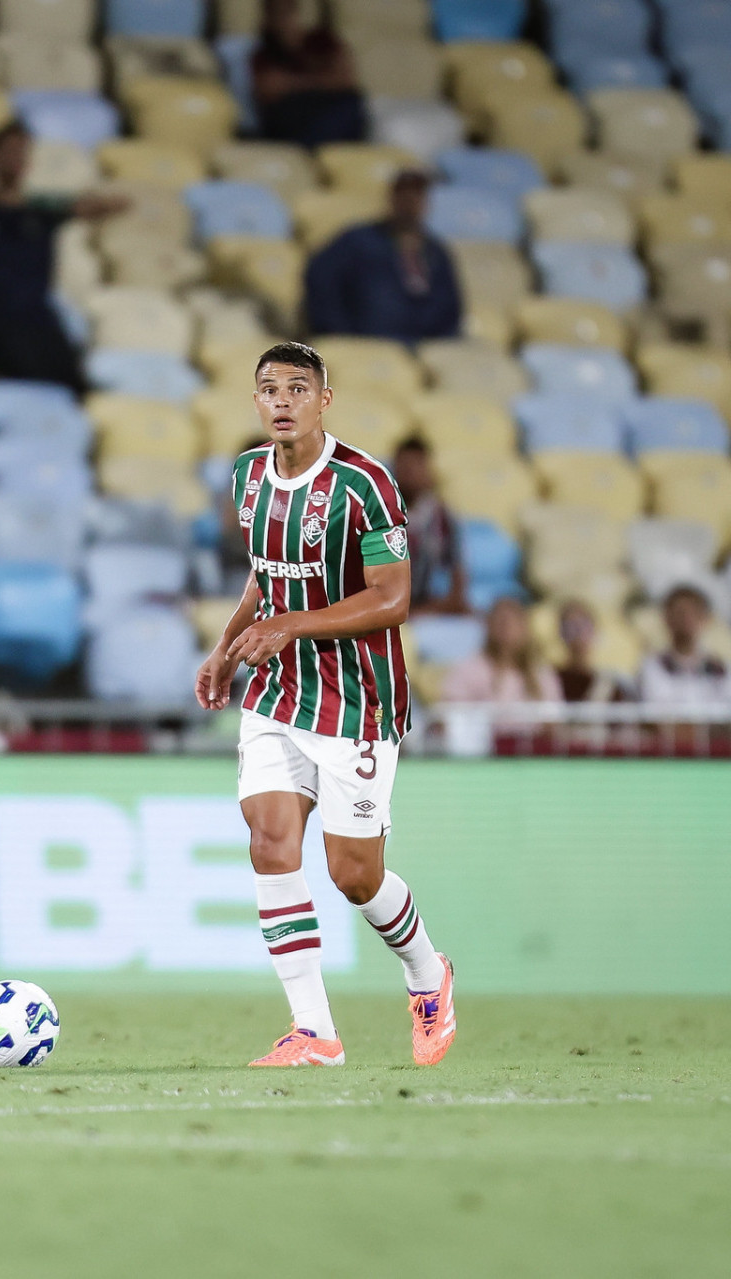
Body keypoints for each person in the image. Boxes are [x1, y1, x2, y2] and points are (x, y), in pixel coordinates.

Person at [195, 341, 455, 1070]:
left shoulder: (364, 482)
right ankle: (314, 1030)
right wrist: (226, 644)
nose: (282, 400)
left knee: (354, 875)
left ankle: (429, 976)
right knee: (270, 842)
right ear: (256, 401)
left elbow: (393, 598)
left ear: (323, 400)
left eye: (297, 388)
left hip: (357, 702)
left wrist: (290, 625)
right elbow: (264, 574)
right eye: (269, 389)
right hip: (277, 692)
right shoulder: (247, 475)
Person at [0, 121, 125, 391]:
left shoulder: (41, 210)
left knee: (75, 385)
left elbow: (85, 207)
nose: (16, 158)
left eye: (22, 151)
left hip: (36, 317)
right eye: (9, 151)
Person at [304, 170, 462, 344]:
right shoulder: (358, 241)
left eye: (416, 197)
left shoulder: (435, 251)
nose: (409, 204)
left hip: (422, 345)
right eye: (403, 196)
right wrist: (340, 331)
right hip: (368, 342)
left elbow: (450, 305)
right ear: (391, 199)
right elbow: (321, 279)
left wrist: (441, 341)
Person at [252, 0, 365, 147]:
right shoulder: (263, 53)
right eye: (277, 14)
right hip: (293, 121)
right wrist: (320, 80)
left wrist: (294, 82)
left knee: (350, 105)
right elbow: (269, 89)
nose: (284, 21)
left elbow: (345, 80)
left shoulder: (324, 42)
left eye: (289, 12)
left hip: (327, 112)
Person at [393, 436, 468, 614]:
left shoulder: (443, 520)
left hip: (430, 612)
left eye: (416, 465)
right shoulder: (375, 514)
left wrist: (425, 611)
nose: (409, 472)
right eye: (404, 465)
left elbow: (457, 585)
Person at [441, 596, 563, 704]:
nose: (507, 628)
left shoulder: (540, 672)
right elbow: (452, 714)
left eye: (512, 622)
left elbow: (553, 719)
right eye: (501, 622)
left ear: (524, 627)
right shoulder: (468, 669)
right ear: (489, 626)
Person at [638, 585, 731, 707]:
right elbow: (658, 712)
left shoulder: (720, 669)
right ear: (666, 618)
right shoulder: (653, 666)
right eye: (680, 613)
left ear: (706, 619)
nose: (687, 619)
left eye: (694, 613)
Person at [555, 599, 622, 703]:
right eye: (570, 627)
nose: (579, 635)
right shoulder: (553, 679)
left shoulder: (610, 685)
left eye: (584, 625)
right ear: (561, 633)